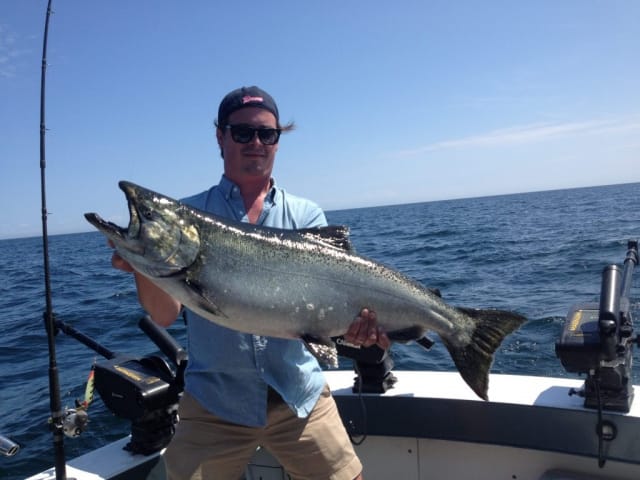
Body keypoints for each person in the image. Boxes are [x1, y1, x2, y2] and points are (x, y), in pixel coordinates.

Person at [111, 86, 390, 480]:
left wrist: (356, 331)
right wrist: (143, 261)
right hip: (214, 405)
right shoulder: (189, 215)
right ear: (220, 137)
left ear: (278, 141)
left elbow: (329, 311)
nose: (255, 142)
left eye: (267, 133)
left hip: (300, 396)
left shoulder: (305, 214)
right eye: (242, 132)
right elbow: (163, 314)